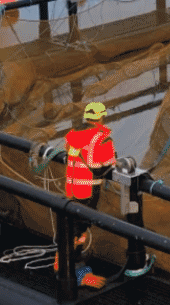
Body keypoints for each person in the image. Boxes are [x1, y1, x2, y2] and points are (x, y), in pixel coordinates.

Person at [61, 101, 117, 289]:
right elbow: (108, 164)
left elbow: (68, 148)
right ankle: (71, 269)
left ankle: (74, 260)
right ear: (101, 117)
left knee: (74, 227)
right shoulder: (102, 138)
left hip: (72, 188)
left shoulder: (73, 133)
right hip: (89, 189)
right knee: (80, 229)